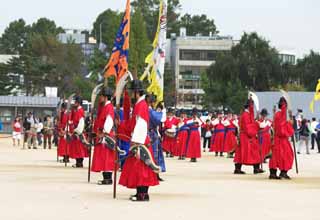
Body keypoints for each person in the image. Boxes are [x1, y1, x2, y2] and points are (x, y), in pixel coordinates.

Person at [119, 80, 159, 202]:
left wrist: (137, 143)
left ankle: (142, 194)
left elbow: (141, 125)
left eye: (132, 92)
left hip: (140, 141)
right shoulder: (139, 104)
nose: (131, 95)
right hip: (139, 140)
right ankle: (140, 193)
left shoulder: (141, 105)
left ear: (136, 92)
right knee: (138, 170)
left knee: (142, 170)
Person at [91, 87, 116, 185]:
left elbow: (109, 121)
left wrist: (104, 132)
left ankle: (108, 178)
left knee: (107, 157)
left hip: (106, 136)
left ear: (105, 97)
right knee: (103, 157)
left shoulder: (109, 107)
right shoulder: (104, 107)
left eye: (101, 96)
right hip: (101, 135)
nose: (99, 98)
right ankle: (106, 177)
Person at [234, 99, 264, 175]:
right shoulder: (246, 115)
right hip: (247, 136)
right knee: (252, 151)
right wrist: (256, 125)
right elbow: (248, 127)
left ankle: (254, 168)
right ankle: (255, 168)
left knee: (244, 152)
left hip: (246, 135)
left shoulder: (247, 115)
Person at [269, 97, 295, 179]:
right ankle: (280, 172)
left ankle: (281, 172)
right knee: (283, 155)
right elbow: (281, 129)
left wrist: (289, 120)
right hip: (281, 139)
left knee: (281, 155)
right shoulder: (280, 115)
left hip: (280, 139)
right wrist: (289, 127)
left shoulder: (279, 114)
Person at [147, 94, 166, 181]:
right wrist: (163, 110)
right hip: (151, 134)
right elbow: (160, 120)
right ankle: (154, 174)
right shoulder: (150, 111)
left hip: (152, 133)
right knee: (154, 154)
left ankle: (155, 174)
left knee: (155, 154)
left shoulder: (150, 110)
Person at [69, 96, 88, 168]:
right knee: (77, 148)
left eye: (75, 102)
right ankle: (78, 162)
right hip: (76, 131)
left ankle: (79, 162)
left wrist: (77, 131)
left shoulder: (80, 111)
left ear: (78, 103)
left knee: (79, 148)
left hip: (79, 131)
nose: (74, 103)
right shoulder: (76, 110)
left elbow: (81, 122)